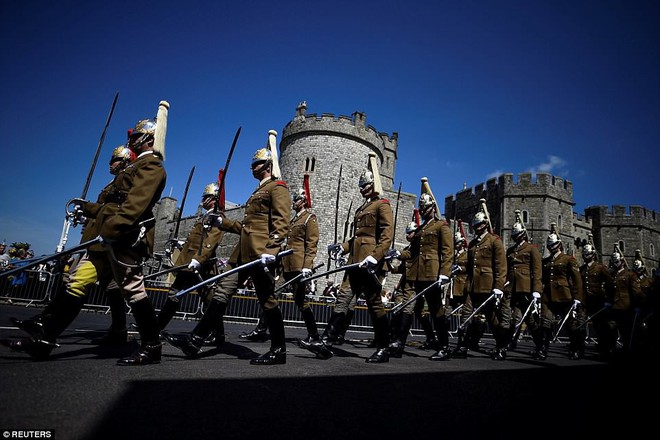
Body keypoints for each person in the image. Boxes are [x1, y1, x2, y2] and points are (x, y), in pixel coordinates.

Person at [6, 101, 169, 365]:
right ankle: (44, 338)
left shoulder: (151, 166)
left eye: (136, 136)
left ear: (149, 138)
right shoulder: (135, 167)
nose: (132, 140)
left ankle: (152, 346)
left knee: (133, 289)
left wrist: (111, 230)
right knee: (78, 280)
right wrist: (90, 209)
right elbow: (112, 204)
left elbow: (133, 206)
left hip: (123, 236)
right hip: (107, 237)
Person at [167, 135, 291, 365]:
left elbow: (282, 222)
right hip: (241, 254)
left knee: (267, 300)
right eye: (252, 164)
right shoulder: (257, 191)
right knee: (223, 292)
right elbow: (247, 227)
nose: (252, 167)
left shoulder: (278, 188)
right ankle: (195, 339)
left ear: (268, 165)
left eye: (257, 164)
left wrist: (272, 249)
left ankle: (278, 350)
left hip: (260, 253)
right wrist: (222, 223)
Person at [301, 152, 393, 363]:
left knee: (374, 304)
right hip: (354, 263)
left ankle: (383, 347)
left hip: (370, 264)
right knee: (343, 298)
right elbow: (357, 238)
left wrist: (376, 256)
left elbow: (387, 235)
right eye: (361, 186)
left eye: (366, 186)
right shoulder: (362, 208)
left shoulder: (382, 205)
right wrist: (342, 247)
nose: (363, 189)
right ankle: (327, 341)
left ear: (373, 185)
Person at [240, 176, 321, 345]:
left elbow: (311, 244)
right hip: (286, 266)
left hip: (298, 267)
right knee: (272, 294)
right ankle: (262, 329)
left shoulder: (309, 218)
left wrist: (307, 266)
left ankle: (314, 335)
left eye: (297, 200)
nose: (294, 202)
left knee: (301, 301)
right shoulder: (293, 221)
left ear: (304, 201)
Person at [391, 178, 453, 360]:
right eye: (422, 208)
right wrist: (397, 253)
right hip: (415, 274)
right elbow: (412, 254)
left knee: (436, 310)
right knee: (408, 308)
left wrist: (444, 274)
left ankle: (444, 346)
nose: (424, 211)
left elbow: (448, 252)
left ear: (433, 207)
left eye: (426, 208)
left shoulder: (441, 226)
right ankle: (399, 345)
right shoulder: (419, 230)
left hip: (432, 274)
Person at [156, 181, 225, 342]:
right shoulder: (205, 216)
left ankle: (218, 334)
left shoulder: (217, 216)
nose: (204, 199)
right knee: (176, 294)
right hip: (190, 263)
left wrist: (198, 259)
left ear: (213, 198)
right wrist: (183, 244)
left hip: (202, 265)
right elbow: (197, 240)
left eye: (207, 197)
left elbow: (211, 241)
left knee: (209, 299)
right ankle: (157, 327)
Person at [453, 201, 510, 360]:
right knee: (465, 315)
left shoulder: (494, 241)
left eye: (480, 224)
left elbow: (501, 266)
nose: (477, 227)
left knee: (492, 319)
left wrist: (498, 287)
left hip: (488, 286)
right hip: (472, 286)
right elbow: (471, 267)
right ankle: (462, 346)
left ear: (485, 225)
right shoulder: (472, 244)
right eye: (475, 225)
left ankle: (501, 347)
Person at [538, 224, 585, 360]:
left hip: (565, 295)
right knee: (545, 321)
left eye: (553, 245)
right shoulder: (546, 261)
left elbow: (577, 280)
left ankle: (575, 348)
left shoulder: (568, 259)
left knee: (571, 324)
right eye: (549, 245)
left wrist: (577, 297)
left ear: (559, 245)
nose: (551, 247)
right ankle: (542, 349)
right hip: (548, 296)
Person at [505, 210, 543, 352]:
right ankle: (512, 342)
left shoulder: (531, 249)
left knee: (530, 320)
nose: (516, 237)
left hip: (526, 289)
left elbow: (537, 271)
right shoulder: (511, 251)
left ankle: (540, 345)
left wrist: (536, 290)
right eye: (514, 235)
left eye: (518, 235)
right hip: (514, 289)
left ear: (523, 234)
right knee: (515, 318)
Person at [601, 247, 641, 357]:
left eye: (617, 261)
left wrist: (637, 305)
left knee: (626, 332)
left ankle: (628, 350)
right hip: (613, 308)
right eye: (613, 262)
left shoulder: (630, 275)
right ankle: (611, 349)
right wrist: (607, 301)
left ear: (622, 262)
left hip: (625, 308)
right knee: (610, 328)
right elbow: (609, 290)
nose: (615, 264)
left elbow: (635, 292)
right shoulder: (611, 275)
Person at [579, 239, 614, 359]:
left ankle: (604, 348)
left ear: (593, 255)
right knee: (581, 324)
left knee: (601, 326)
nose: (585, 256)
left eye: (588, 254)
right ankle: (580, 348)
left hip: (598, 300)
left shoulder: (600, 268)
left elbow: (610, 284)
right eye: (584, 254)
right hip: (585, 300)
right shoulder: (582, 269)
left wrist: (609, 300)